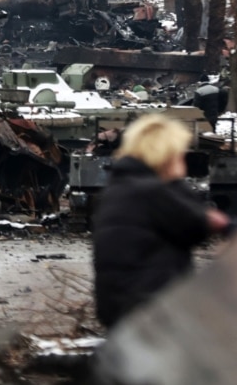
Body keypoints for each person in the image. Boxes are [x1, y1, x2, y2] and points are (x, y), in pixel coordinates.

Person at [92, 114, 229, 329]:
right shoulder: (151, 191)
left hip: (124, 307)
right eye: (179, 153)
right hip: (148, 310)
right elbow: (196, 226)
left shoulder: (122, 186)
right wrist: (175, 182)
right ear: (165, 154)